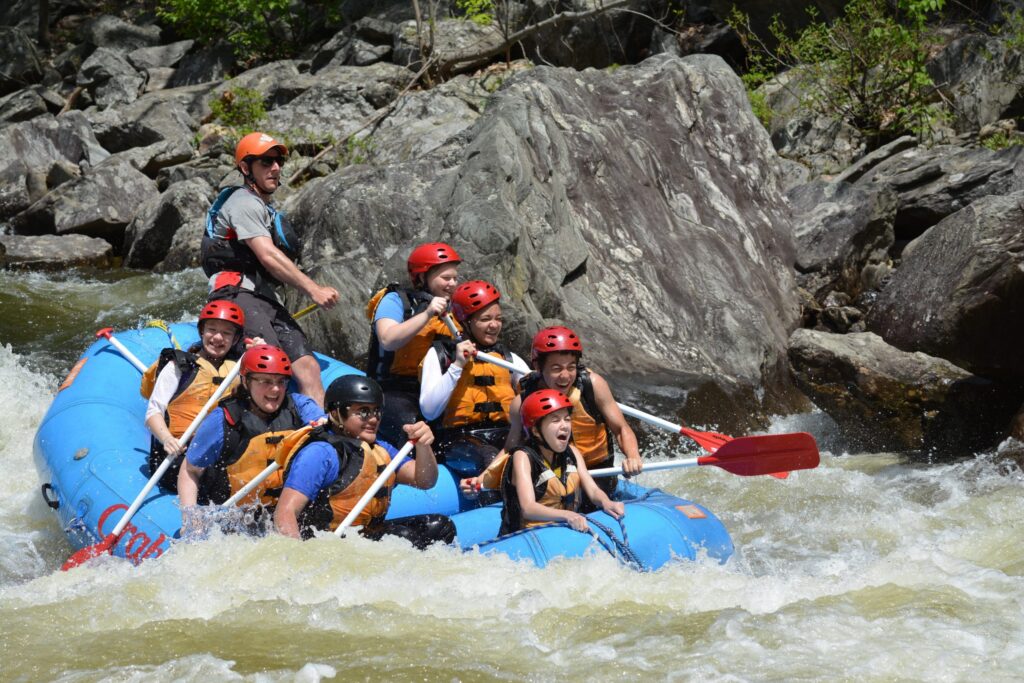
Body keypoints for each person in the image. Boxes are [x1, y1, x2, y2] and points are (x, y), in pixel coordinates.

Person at [202, 131, 339, 407]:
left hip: (265, 299)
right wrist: (313, 289)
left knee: (308, 367)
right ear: (245, 168)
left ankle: (319, 428)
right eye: (266, 162)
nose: (275, 168)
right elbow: (267, 255)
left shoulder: (265, 208)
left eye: (278, 162)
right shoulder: (243, 202)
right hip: (236, 294)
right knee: (269, 363)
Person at [466, 325, 643, 505]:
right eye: (556, 368)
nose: (565, 376)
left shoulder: (593, 385)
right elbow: (510, 448)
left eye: (571, 367)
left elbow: (621, 429)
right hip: (549, 473)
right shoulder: (522, 401)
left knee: (579, 500)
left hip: (595, 472)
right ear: (538, 366)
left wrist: (633, 456)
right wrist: (482, 479)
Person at [274, 375, 455, 548]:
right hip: (324, 544)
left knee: (440, 527)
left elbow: (425, 480)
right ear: (336, 413)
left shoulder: (379, 448)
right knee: (405, 537)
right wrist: (298, 559)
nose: (374, 418)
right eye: (363, 412)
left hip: (362, 538)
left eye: (377, 411)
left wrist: (423, 446)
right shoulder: (319, 453)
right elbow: (285, 513)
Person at [177, 344, 325, 524]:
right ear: (246, 382)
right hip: (233, 517)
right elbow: (190, 470)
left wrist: (323, 423)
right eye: (266, 381)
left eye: (281, 381)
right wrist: (190, 519)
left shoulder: (299, 407)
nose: (276, 389)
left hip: (284, 513)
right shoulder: (222, 420)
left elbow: (322, 421)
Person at [419, 280, 530, 479]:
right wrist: (457, 366)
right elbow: (429, 410)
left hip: (503, 433)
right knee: (490, 457)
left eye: (498, 318)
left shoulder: (508, 358)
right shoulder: (440, 355)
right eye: (485, 319)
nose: (494, 325)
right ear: (466, 322)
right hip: (458, 441)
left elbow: (535, 395)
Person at [141, 300, 247, 491]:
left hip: (218, 452)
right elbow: (153, 412)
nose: (218, 337)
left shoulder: (237, 369)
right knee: (217, 477)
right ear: (201, 332)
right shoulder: (179, 367)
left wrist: (259, 351)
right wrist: (167, 439)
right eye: (212, 330)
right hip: (177, 454)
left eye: (226, 333)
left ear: (235, 339)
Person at [365, 241, 461, 444]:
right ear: (422, 277)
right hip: (392, 390)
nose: (452, 284)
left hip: (435, 393)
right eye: (446, 278)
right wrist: (427, 313)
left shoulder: (456, 310)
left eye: (455, 278)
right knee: (416, 429)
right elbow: (388, 339)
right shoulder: (396, 300)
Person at [499, 389, 624, 535]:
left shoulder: (573, 452)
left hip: (562, 532)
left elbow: (593, 490)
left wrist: (606, 502)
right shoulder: (523, 457)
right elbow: (528, 508)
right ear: (536, 431)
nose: (564, 426)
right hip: (525, 536)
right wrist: (567, 515)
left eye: (567, 419)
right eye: (555, 420)